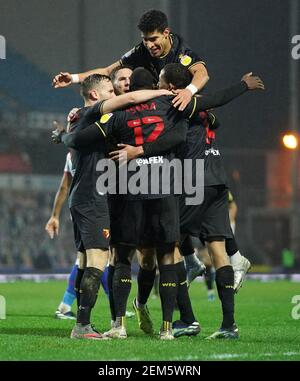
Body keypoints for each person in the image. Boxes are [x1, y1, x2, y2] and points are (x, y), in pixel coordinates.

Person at [111, 64, 264, 339]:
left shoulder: (176, 103)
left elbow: (208, 104)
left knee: (171, 247)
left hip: (194, 180)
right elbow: (215, 103)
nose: (157, 85)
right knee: (218, 251)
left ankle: (187, 319)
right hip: (218, 178)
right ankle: (229, 325)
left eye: (160, 80)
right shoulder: (200, 107)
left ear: (170, 87)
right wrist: (242, 86)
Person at [52, 74, 172, 340]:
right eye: (109, 90)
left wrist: (63, 134)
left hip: (81, 196)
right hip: (93, 197)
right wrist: (160, 94)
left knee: (84, 261)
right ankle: (82, 326)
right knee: (97, 259)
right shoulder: (93, 111)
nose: (113, 93)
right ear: (95, 95)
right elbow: (129, 98)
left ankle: (82, 323)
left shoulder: (79, 118)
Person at [52, 9, 209, 110]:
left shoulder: (181, 51)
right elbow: (107, 71)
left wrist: (188, 92)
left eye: (153, 39)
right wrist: (72, 78)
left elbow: (202, 73)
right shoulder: (140, 50)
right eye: (145, 39)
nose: (149, 45)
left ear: (166, 32)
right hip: (157, 110)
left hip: (183, 109)